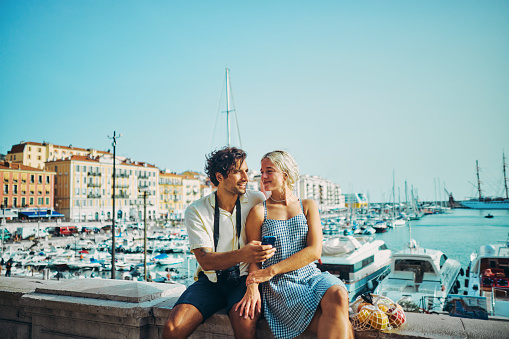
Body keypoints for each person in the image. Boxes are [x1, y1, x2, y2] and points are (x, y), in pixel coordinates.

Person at [236, 150, 354, 339]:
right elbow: (254, 258)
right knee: (342, 322)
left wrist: (271, 270)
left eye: (269, 171)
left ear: (285, 174)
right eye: (261, 171)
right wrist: (253, 287)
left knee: (339, 295)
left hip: (311, 276)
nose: (263, 176)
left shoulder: (308, 206)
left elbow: (314, 251)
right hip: (279, 286)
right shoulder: (259, 212)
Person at [163, 147, 276, 339]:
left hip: (244, 280)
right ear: (220, 176)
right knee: (173, 328)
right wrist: (244, 254)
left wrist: (253, 284)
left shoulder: (257, 199)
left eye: (246, 171)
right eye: (237, 172)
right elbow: (205, 261)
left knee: (245, 323)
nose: (245, 178)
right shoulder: (196, 210)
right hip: (210, 282)